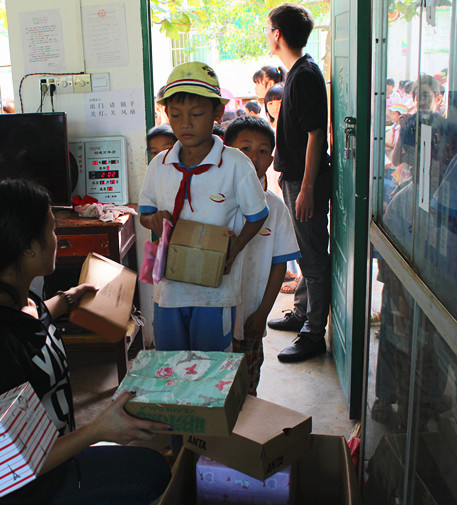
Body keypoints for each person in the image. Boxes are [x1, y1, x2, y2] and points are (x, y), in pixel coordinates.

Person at [0, 180, 171, 505]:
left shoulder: (15, 297)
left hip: (47, 461)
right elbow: (4, 458)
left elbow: (34, 320)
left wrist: (69, 298)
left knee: (152, 469)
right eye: (51, 229)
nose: (57, 237)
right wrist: (100, 429)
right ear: (27, 247)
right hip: (10, 495)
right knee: (148, 476)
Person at [138, 60, 268, 354]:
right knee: (170, 364)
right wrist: (154, 220)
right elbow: (145, 214)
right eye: (175, 114)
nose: (185, 123)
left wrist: (237, 247)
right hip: (169, 292)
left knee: (210, 367)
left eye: (196, 114)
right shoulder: (159, 165)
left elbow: (258, 215)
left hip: (215, 293)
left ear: (217, 112)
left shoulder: (235, 164)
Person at [264, 3, 332, 363]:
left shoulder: (304, 74)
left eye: (268, 29)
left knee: (313, 259)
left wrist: (306, 189)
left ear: (277, 34)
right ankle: (302, 312)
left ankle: (313, 334)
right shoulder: (296, 72)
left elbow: (315, 135)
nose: (268, 35)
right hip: (295, 179)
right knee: (304, 251)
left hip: (306, 183)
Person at [225, 116, 300, 395]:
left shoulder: (275, 208)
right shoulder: (213, 199)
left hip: (250, 317)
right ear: (226, 150)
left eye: (263, 151)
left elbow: (279, 265)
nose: (253, 158)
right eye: (245, 148)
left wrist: (263, 314)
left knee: (246, 388)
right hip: (212, 314)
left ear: (271, 159)